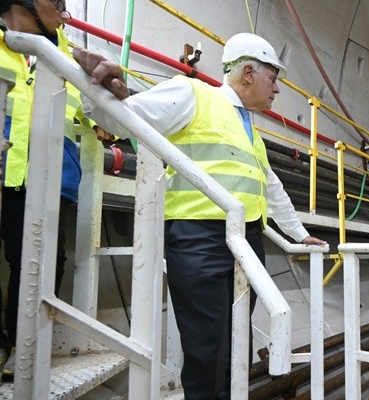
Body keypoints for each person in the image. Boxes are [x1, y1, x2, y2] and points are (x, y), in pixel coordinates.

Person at [73, 32, 326, 399]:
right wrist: (98, 87)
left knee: (235, 341)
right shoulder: (193, 94)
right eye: (273, 79)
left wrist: (299, 234)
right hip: (200, 238)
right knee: (207, 347)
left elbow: (271, 187)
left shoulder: (249, 130)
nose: (276, 89)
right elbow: (122, 119)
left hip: (246, 241)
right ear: (249, 73)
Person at [0, 0, 111, 377]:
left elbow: (101, 115)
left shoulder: (68, 56)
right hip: (6, 169)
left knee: (41, 264)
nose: (65, 14)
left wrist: (108, 104)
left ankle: (24, 345)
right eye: (58, 3)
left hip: (49, 177)